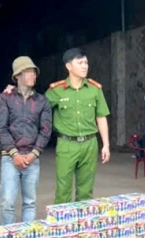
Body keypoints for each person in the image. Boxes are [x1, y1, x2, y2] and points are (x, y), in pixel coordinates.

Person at [46, 48, 111, 204]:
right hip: (66, 144)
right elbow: (37, 107)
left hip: (90, 143)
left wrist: (106, 145)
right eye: (80, 63)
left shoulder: (95, 90)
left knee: (86, 191)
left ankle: (83, 225)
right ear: (69, 66)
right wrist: (15, 91)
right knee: (63, 190)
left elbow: (101, 117)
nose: (85, 66)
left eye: (86, 63)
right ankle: (63, 226)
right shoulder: (56, 91)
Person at [0, 56, 52, 225]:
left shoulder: (42, 101)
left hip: (32, 158)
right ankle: (9, 237)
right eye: (28, 72)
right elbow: (1, 129)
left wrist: (34, 154)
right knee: (7, 202)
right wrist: (14, 154)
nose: (33, 75)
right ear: (18, 76)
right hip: (10, 158)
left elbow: (45, 130)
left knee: (30, 202)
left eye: (34, 72)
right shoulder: (4, 99)